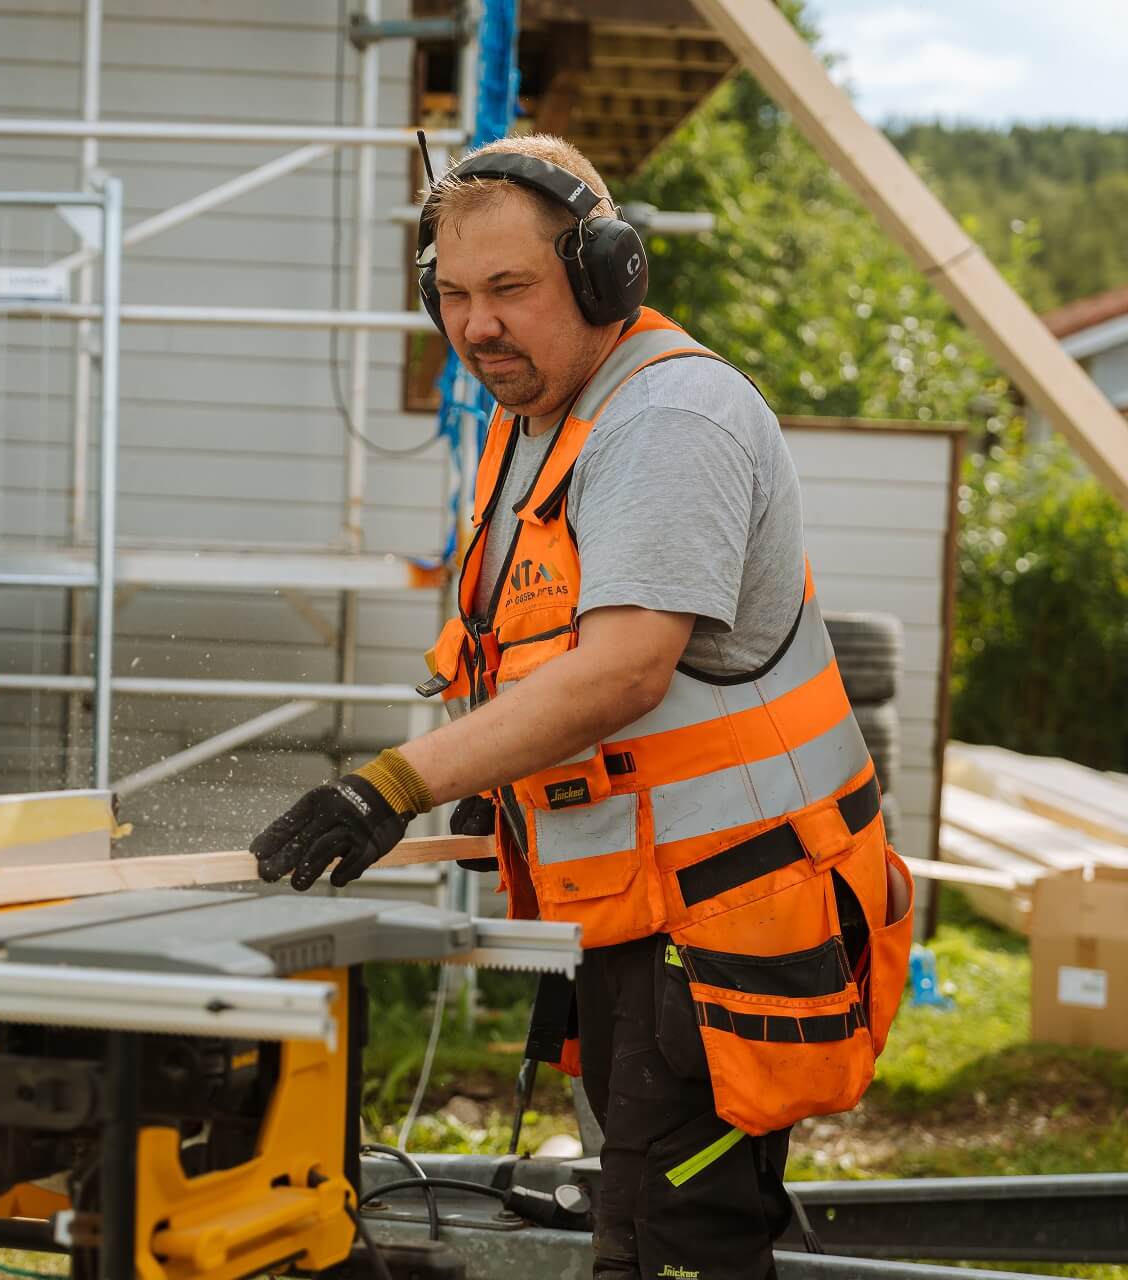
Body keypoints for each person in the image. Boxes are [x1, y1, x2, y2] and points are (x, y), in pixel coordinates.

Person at [250, 134, 915, 1280]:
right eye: (452, 296)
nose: (477, 327)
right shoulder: (537, 425)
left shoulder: (669, 421)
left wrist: (392, 786)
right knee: (639, 1227)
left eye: (509, 288)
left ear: (608, 271)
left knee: (668, 1247)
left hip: (725, 916)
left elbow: (620, 673)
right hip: (644, 911)